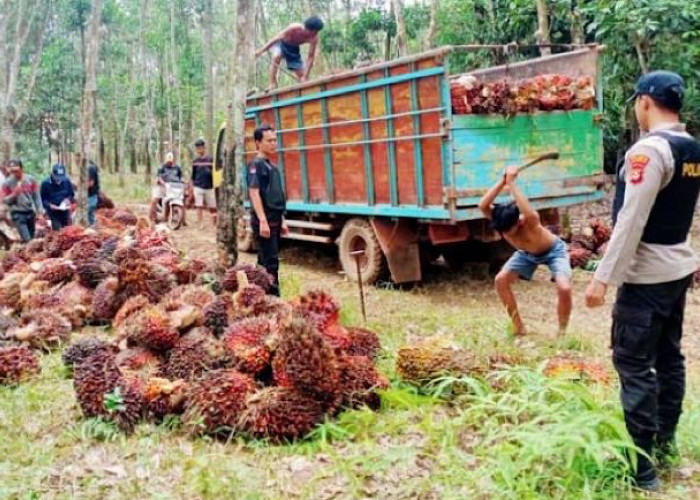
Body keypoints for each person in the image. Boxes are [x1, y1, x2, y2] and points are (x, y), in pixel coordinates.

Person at [585, 71, 699, 492]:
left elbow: (630, 222)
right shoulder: (692, 149)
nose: (636, 107)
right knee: (670, 358)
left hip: (647, 276)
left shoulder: (649, 152)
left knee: (634, 364)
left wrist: (602, 279)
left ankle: (644, 468)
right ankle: (665, 443)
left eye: (636, 101)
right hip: (677, 269)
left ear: (646, 102)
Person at [478, 166, 572, 336]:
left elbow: (525, 206)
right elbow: (483, 204)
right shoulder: (501, 218)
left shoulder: (530, 219)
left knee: (564, 288)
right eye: (502, 231)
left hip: (553, 251)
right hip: (526, 254)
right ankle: (518, 327)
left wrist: (512, 184)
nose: (505, 234)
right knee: (500, 280)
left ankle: (562, 333)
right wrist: (503, 180)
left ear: (518, 223)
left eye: (509, 230)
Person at [247, 124, 289, 297]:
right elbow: (254, 192)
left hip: (275, 219)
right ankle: (273, 299)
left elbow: (276, 195)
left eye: (274, 140)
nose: (273, 143)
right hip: (265, 222)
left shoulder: (271, 166)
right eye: (269, 140)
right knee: (270, 263)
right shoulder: (256, 166)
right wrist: (263, 221)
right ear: (258, 143)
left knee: (264, 261)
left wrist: (283, 221)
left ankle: (257, 295)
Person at [255, 16, 324, 90]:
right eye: (315, 31)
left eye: (317, 31)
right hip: (281, 44)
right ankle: (272, 84)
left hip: (293, 50)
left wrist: (305, 76)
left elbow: (310, 57)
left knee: (302, 76)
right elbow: (276, 38)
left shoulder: (313, 38)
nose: (316, 33)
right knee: (276, 57)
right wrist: (261, 51)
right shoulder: (294, 28)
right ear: (308, 29)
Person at [2, 159, 44, 242]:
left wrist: (40, 212)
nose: (15, 173)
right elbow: (5, 200)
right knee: (27, 239)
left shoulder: (31, 180)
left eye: (16, 171)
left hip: (30, 212)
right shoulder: (7, 183)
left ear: (22, 169)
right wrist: (14, 194)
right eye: (12, 171)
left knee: (31, 239)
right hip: (17, 214)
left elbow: (37, 197)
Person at [150, 152, 183, 223]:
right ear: (166, 160)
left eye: (171, 162)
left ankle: (182, 219)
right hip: (163, 186)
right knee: (154, 200)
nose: (169, 163)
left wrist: (182, 182)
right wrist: (163, 183)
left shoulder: (177, 167)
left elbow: (180, 177)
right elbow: (159, 177)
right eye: (168, 162)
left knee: (182, 199)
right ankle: (152, 218)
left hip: (173, 186)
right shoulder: (161, 167)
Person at [40, 164, 75, 231]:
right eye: (57, 177)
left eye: (61, 177)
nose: (59, 179)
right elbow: (42, 199)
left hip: (65, 210)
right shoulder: (45, 183)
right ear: (52, 174)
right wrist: (50, 205)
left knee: (67, 229)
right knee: (57, 228)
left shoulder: (66, 181)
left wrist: (67, 200)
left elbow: (71, 194)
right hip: (53, 211)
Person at [191, 138, 216, 226]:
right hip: (198, 186)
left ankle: (214, 223)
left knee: (212, 206)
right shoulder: (195, 161)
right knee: (199, 205)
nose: (199, 150)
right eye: (197, 148)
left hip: (209, 186)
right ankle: (200, 222)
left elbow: (215, 172)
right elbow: (193, 175)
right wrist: (192, 185)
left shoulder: (211, 159)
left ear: (204, 148)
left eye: (201, 147)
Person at [75, 152, 100, 227]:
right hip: (86, 196)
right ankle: (91, 229)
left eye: (77, 160)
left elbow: (90, 183)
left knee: (86, 215)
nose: (76, 162)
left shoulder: (90, 168)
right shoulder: (83, 169)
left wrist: (79, 187)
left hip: (91, 197)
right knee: (89, 215)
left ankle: (90, 229)